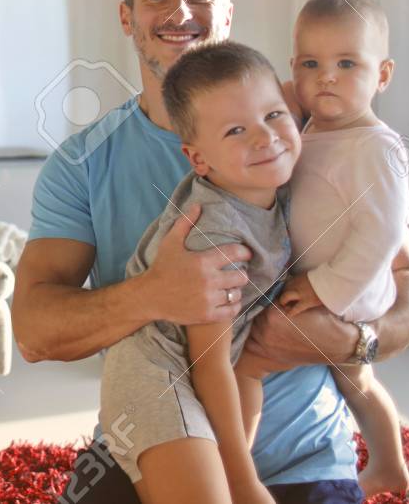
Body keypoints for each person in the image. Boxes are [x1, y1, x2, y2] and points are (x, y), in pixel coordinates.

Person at [11, 0, 409, 503]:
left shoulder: (307, 130)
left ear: (228, 13)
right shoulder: (84, 164)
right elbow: (33, 332)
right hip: (153, 442)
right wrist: (154, 293)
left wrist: (350, 341)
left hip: (303, 457)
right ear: (127, 17)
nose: (179, 14)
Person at [99, 42, 300, 504]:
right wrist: (245, 481)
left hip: (214, 370)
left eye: (274, 115)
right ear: (199, 160)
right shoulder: (215, 236)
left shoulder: (270, 190)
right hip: (156, 375)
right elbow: (207, 365)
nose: (265, 137)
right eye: (235, 130)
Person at [238, 0, 409, 497]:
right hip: (319, 278)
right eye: (312, 64)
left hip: (348, 290)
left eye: (347, 63)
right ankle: (388, 465)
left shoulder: (375, 145)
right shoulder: (311, 132)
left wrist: (323, 287)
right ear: (293, 70)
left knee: (254, 362)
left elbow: (382, 232)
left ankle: (240, 467)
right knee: (354, 383)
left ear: (382, 75)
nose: (327, 77)